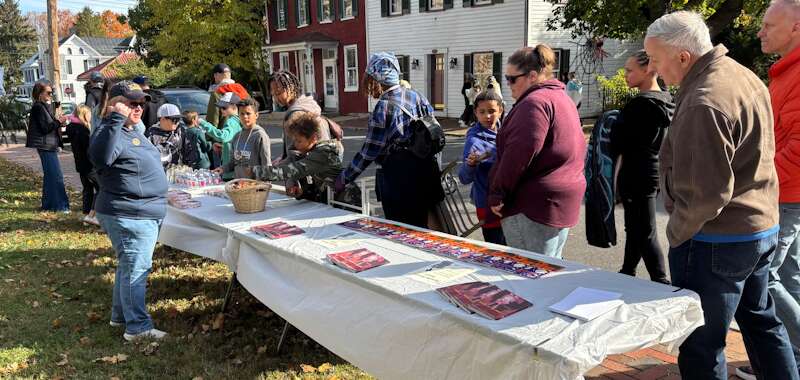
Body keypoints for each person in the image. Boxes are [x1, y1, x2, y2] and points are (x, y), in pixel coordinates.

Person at [645, 11, 798, 380]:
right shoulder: (740, 74)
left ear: (683, 56)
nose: (654, 70)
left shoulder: (704, 98)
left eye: (656, 60)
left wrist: (679, 232)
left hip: (718, 238)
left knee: (702, 341)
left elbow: (707, 194)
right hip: (758, 227)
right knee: (762, 322)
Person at [737, 2, 800, 379]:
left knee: (764, 278)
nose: (759, 31)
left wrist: (755, 179)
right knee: (787, 274)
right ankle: (790, 355)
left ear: (795, 28)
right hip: (786, 192)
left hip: (785, 195)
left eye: (767, 24)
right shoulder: (785, 72)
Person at [488, 45, 586, 258]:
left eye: (512, 79)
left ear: (532, 76)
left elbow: (519, 153)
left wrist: (497, 194)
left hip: (534, 204)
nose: (507, 84)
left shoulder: (534, 103)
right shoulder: (561, 97)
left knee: (528, 274)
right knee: (549, 268)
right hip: (558, 201)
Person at [89, 80, 168, 341]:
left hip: (140, 210)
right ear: (115, 104)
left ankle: (120, 316)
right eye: (132, 103)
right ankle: (138, 327)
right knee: (136, 268)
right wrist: (114, 118)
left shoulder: (131, 129)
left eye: (141, 103)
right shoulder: (110, 129)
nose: (138, 107)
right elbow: (100, 157)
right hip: (129, 212)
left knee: (128, 266)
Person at [334, 52, 444, 229]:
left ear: (375, 80)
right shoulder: (417, 96)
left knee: (403, 233)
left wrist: (344, 178)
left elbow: (369, 151)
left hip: (400, 180)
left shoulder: (384, 107)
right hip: (427, 172)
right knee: (427, 233)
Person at [609, 50, 673, 284]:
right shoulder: (665, 99)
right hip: (654, 172)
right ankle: (627, 271)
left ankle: (661, 280)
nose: (625, 75)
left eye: (629, 70)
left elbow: (618, 144)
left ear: (648, 70)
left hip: (636, 174)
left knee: (644, 230)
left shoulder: (640, 105)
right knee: (636, 227)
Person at [254, 111, 343, 203]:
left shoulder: (323, 154)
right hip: (329, 201)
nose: (296, 145)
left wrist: (255, 172)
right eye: (294, 141)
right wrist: (302, 193)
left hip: (344, 205)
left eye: (299, 141)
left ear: (313, 138)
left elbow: (292, 170)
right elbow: (317, 188)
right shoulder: (312, 152)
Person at [458, 90, 506, 245]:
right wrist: (470, 164)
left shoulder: (507, 131)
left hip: (509, 202)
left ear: (500, 110)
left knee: (515, 250)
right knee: (497, 249)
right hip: (487, 204)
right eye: (482, 112)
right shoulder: (473, 140)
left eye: (492, 111)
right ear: (475, 113)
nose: (487, 116)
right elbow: (464, 178)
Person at [25, 80, 70, 213]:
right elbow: (46, 127)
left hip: (48, 144)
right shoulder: (39, 107)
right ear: (40, 93)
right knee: (56, 176)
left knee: (50, 176)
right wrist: (58, 121)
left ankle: (48, 204)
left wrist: (58, 121)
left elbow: (50, 125)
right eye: (49, 92)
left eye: (52, 92)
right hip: (45, 145)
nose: (51, 95)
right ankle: (61, 206)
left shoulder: (43, 106)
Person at [211, 97, 271, 179]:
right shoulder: (237, 136)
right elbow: (233, 162)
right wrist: (222, 169)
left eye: (248, 113)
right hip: (239, 184)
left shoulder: (260, 136)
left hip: (255, 185)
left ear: (256, 115)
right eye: (242, 114)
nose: (245, 117)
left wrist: (265, 185)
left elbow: (266, 164)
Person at [269, 71, 324, 160]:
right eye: (273, 95)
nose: (276, 98)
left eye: (278, 93)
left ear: (291, 87)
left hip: (304, 168)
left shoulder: (294, 115)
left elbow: (295, 154)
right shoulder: (309, 104)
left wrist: (281, 164)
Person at [65, 105, 99, 225]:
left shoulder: (72, 128)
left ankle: (86, 213)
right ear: (84, 115)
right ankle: (92, 215)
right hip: (89, 165)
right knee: (101, 188)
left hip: (80, 164)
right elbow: (89, 150)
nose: (91, 116)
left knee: (87, 189)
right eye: (89, 114)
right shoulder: (83, 130)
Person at [198, 92, 243, 180]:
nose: (221, 110)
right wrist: (223, 146)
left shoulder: (231, 122)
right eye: (220, 107)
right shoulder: (239, 121)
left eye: (224, 107)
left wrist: (203, 123)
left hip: (231, 172)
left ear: (234, 106)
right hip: (237, 169)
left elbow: (222, 136)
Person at [146, 103, 201, 169]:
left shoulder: (180, 131)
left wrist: (189, 167)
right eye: (174, 120)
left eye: (179, 119)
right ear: (163, 119)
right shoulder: (150, 136)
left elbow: (190, 152)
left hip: (178, 174)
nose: (177, 122)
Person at [206, 63, 234, 128]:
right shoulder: (240, 91)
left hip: (223, 136)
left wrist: (208, 137)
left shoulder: (216, 94)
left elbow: (212, 123)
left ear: (215, 75)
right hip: (241, 135)